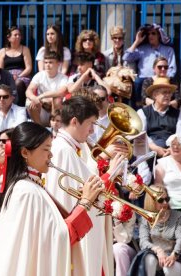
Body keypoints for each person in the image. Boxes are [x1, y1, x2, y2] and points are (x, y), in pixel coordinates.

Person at [0, 122, 105, 276]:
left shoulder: (30, 185)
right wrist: (85, 203)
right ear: (25, 153)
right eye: (46, 149)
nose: (51, 155)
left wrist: (83, 202)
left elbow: (54, 233)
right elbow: (57, 240)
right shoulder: (26, 191)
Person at [46, 96, 125, 276]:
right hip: (79, 235)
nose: (91, 130)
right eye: (90, 124)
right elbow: (81, 195)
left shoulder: (76, 148)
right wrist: (110, 173)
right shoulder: (63, 151)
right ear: (74, 121)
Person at [132, 185, 181, 276]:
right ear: (151, 201)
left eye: (167, 199)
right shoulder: (145, 219)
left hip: (174, 255)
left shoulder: (177, 215)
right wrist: (158, 250)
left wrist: (174, 254)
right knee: (149, 260)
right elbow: (143, 241)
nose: (165, 202)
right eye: (160, 200)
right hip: (155, 254)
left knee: (169, 268)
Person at [123, 23, 176, 109]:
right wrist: (137, 42)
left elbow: (172, 70)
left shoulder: (168, 50)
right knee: (136, 82)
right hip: (143, 82)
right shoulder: (142, 49)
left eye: (153, 33)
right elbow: (126, 58)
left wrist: (163, 79)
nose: (150, 36)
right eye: (148, 34)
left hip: (162, 80)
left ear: (159, 35)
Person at [155, 134, 181, 239]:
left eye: (179, 144)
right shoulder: (162, 163)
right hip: (170, 205)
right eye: (172, 144)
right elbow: (157, 187)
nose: (175, 147)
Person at [137, 77, 181, 157]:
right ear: (155, 95)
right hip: (149, 150)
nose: (167, 95)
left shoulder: (178, 114)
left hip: (172, 151)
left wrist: (171, 149)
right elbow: (140, 134)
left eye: (169, 93)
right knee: (139, 144)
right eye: (164, 92)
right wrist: (154, 148)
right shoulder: (143, 112)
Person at [26, 51, 68, 126]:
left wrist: (42, 96)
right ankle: (39, 129)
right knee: (30, 102)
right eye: (45, 62)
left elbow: (61, 92)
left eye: (51, 62)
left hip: (57, 109)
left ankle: (54, 128)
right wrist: (34, 98)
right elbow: (29, 90)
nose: (47, 65)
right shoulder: (39, 75)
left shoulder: (63, 78)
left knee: (57, 100)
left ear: (58, 64)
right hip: (42, 107)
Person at [0, 84, 27, 152]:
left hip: (15, 149)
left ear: (12, 98)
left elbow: (17, 130)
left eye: (5, 97)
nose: (1, 99)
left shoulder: (20, 111)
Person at [0, 26, 32, 106]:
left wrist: (19, 76)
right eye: (15, 35)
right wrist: (9, 76)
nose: (18, 37)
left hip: (22, 75)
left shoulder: (25, 49)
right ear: (8, 38)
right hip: (7, 76)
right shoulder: (2, 51)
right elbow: (0, 69)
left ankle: (20, 107)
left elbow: (29, 67)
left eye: (19, 35)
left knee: (18, 83)